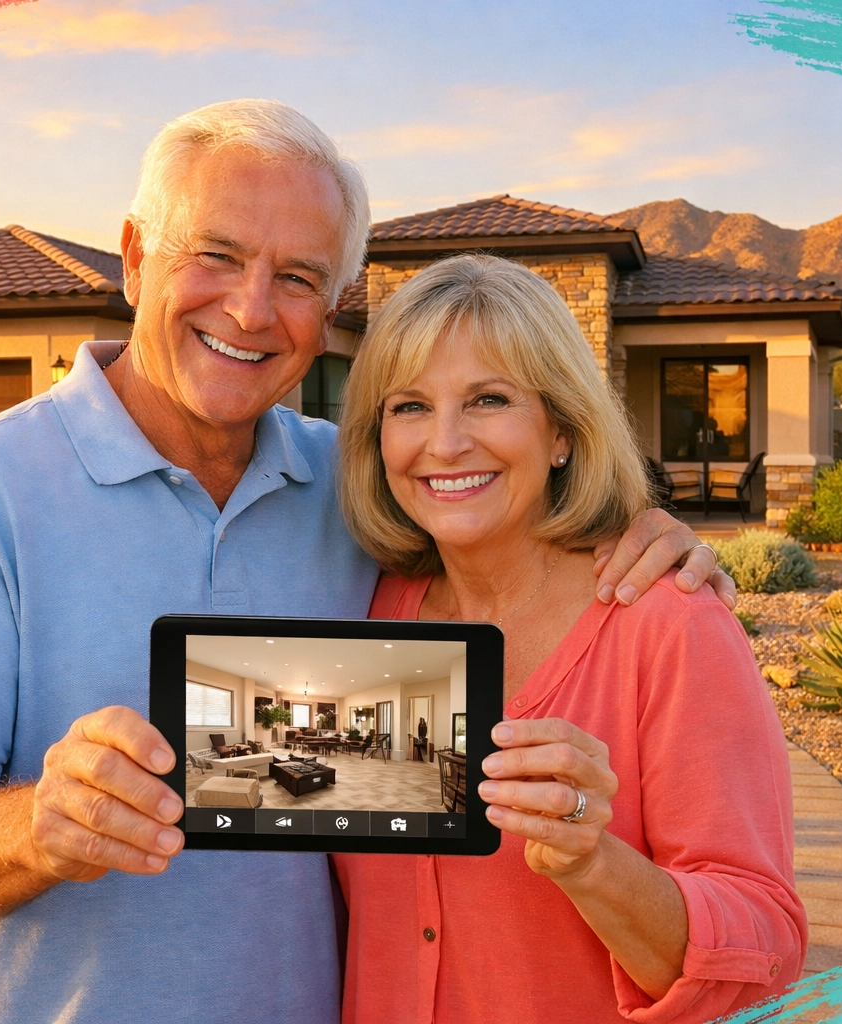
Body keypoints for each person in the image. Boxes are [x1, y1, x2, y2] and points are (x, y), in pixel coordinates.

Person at [0, 100, 734, 1024]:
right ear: (138, 259)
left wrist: (650, 539)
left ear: (330, 307)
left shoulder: (353, 491)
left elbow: (504, 508)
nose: (251, 309)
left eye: (297, 277)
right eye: (216, 255)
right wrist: (36, 827)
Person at [334, 254, 804, 1023]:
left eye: (489, 399)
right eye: (409, 407)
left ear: (561, 432)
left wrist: (594, 863)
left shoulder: (670, 626)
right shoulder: (369, 611)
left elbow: (766, 951)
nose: (445, 443)